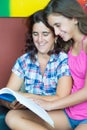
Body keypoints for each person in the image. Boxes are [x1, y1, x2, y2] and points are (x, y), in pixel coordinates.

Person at [2, 10, 72, 130]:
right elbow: (6, 94)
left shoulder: (63, 60)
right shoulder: (23, 61)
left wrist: (26, 97)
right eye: (35, 34)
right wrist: (11, 104)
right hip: (37, 113)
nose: (40, 40)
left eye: (45, 34)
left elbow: (61, 96)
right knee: (11, 116)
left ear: (55, 36)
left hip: (60, 113)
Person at [33, 0, 87, 130]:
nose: (56, 32)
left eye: (58, 25)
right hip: (69, 113)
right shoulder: (68, 45)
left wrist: (50, 105)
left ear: (74, 18)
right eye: (53, 28)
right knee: (13, 117)